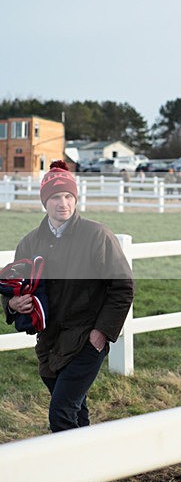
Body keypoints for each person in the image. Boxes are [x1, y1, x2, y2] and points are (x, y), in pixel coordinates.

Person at [1, 161, 135, 433]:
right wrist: (13, 304)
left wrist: (101, 333)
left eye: (68, 196)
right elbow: (16, 285)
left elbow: (123, 287)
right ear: (44, 202)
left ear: (75, 198)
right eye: (55, 197)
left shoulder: (97, 235)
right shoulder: (29, 242)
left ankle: (67, 461)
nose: (63, 203)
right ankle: (87, 459)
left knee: (61, 414)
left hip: (86, 340)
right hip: (48, 343)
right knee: (76, 414)